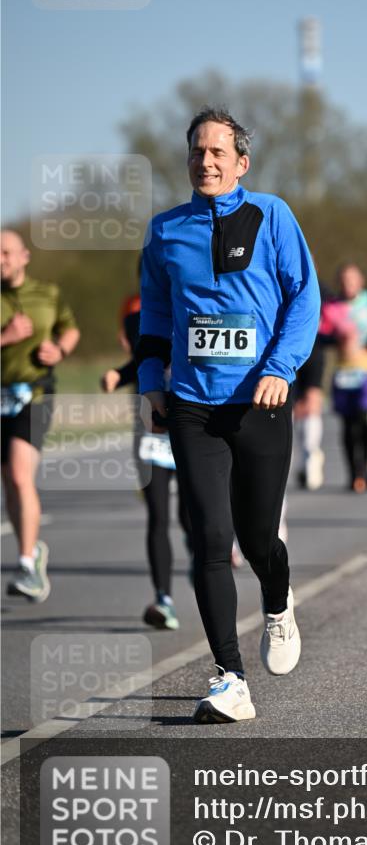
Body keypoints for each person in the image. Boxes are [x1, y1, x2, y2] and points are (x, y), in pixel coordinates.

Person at [137, 107, 320, 723]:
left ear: (241, 162)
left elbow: (304, 297)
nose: (205, 161)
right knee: (211, 538)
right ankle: (230, 678)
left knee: (257, 538)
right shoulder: (165, 230)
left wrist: (280, 368)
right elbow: (155, 314)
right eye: (197, 151)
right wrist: (150, 381)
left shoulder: (272, 215)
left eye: (217, 152)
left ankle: (278, 603)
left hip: (261, 400)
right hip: (192, 404)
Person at [101, 259, 192, 630]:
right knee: (157, 515)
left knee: (192, 516)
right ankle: (163, 599)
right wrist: (119, 374)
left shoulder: (198, 307)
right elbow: (143, 359)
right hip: (153, 430)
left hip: (192, 428)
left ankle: (206, 561)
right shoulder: (135, 320)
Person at [1, 229, 80, 601]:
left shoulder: (47, 293)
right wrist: (7, 337)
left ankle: (26, 565)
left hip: (34, 394)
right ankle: (31, 552)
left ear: (24, 257)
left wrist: (59, 350)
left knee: (19, 474)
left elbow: (71, 329)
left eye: (6, 253)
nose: (1, 260)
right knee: (10, 482)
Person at [319, 263, 367, 492]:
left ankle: (366, 464)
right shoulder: (331, 307)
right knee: (347, 424)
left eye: (352, 279)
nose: (348, 284)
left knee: (365, 418)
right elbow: (320, 337)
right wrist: (338, 339)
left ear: (361, 281)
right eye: (344, 280)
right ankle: (354, 472)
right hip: (343, 371)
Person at [293, 273, 332, 491]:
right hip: (287, 352)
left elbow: (335, 317)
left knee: (312, 400)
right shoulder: (278, 279)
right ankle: (298, 456)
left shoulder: (322, 289)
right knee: (289, 405)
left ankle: (311, 452)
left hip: (314, 351)